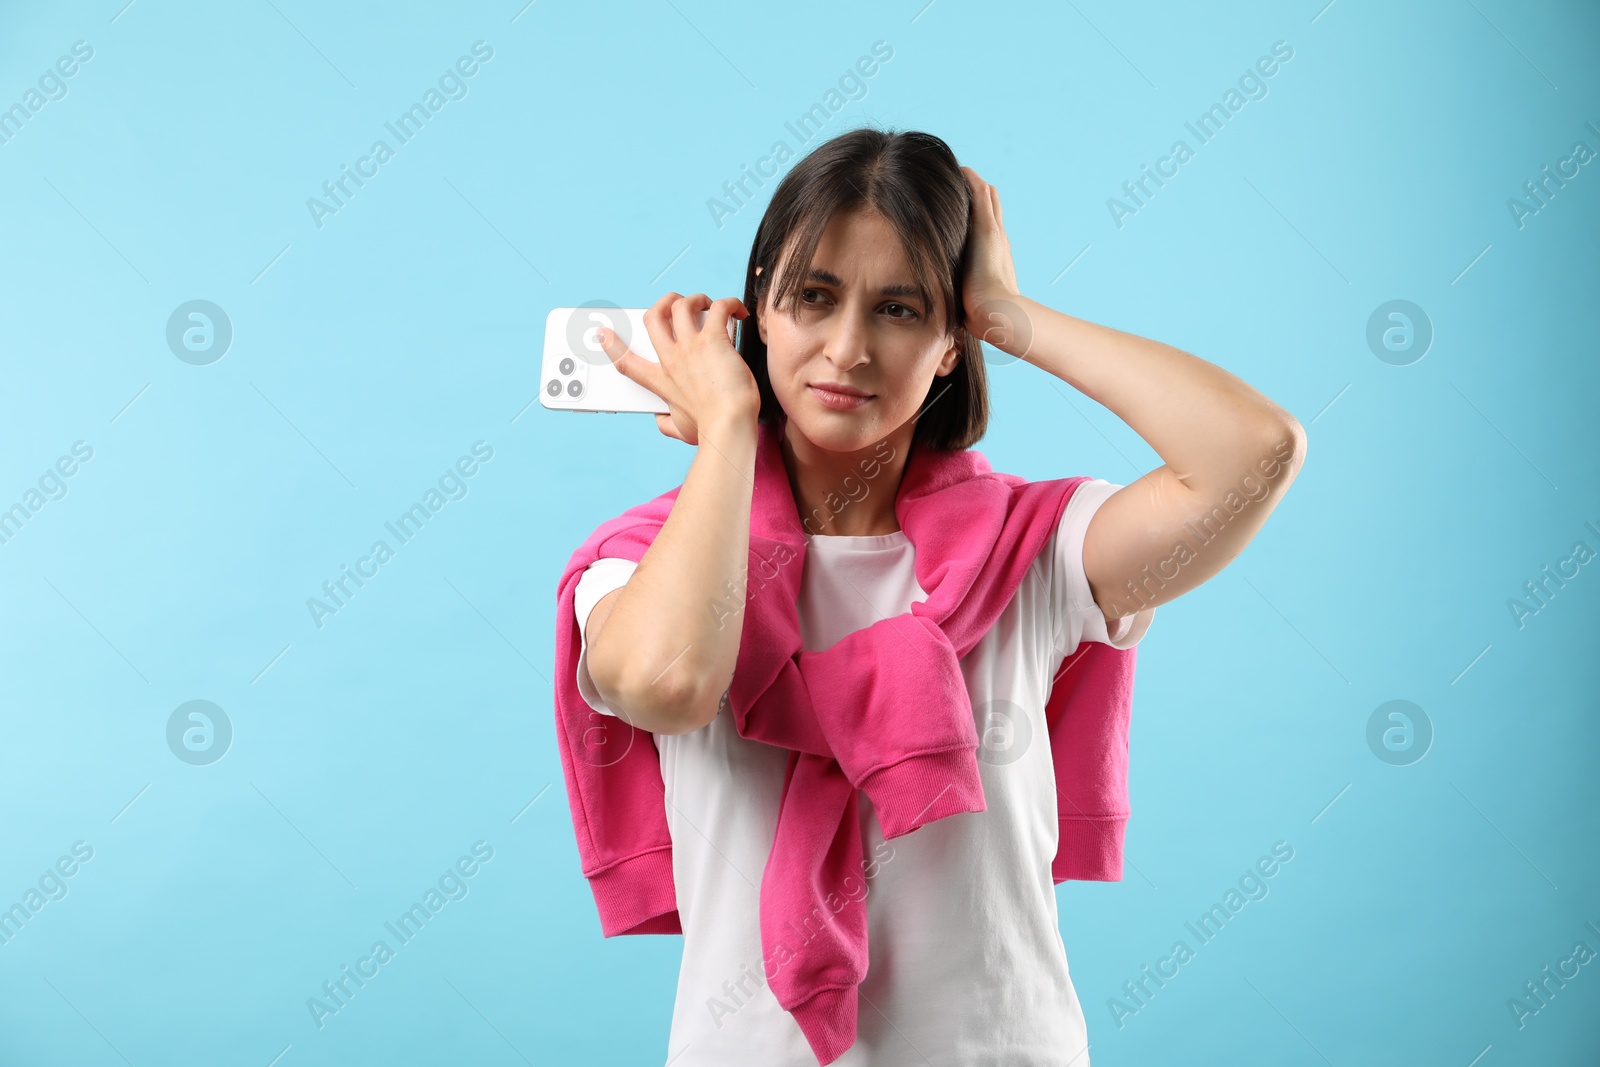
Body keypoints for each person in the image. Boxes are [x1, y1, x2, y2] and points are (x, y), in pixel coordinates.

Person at [569, 127, 1305, 1065]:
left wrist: (1007, 311)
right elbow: (669, 682)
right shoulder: (645, 564)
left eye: (901, 308)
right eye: (814, 297)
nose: (847, 348)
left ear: (949, 343)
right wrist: (726, 431)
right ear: (758, 309)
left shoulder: (1036, 554)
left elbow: (1255, 453)